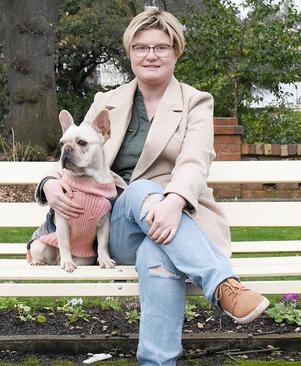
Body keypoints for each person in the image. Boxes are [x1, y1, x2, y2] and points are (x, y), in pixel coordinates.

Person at [36, 9, 270, 366]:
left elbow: (195, 160)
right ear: (130, 54)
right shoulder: (106, 103)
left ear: (176, 52)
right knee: (140, 190)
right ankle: (223, 284)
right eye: (141, 47)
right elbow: (75, 147)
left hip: (174, 221)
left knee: (156, 256)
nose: (151, 55)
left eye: (161, 47)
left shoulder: (196, 102)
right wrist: (51, 183)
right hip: (116, 227)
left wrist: (174, 201)